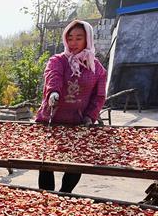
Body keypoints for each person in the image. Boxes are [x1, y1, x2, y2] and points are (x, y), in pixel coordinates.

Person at [35, 19, 107, 193]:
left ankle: (65, 194)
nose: (73, 43)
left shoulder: (96, 68)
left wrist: (90, 116)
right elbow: (54, 76)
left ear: (87, 40)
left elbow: (99, 96)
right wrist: (53, 92)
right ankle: (47, 197)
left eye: (79, 38)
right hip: (52, 119)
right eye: (70, 38)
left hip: (78, 121)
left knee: (75, 162)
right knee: (47, 161)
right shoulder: (58, 60)